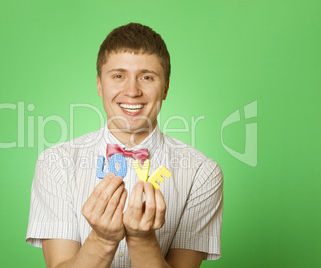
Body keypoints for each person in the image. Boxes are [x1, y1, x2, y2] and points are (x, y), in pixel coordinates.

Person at [26, 22, 223, 268]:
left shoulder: (201, 172)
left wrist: (142, 240)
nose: (132, 91)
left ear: (166, 88)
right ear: (99, 84)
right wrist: (102, 239)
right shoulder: (55, 163)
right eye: (118, 76)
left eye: (147, 77)